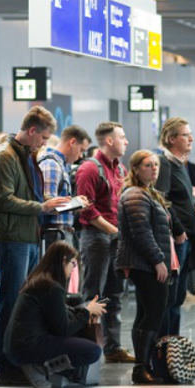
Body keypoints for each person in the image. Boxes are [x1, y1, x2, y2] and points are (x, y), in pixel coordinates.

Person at [0, 106, 71, 385]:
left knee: (25, 304)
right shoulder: (5, 157)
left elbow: (24, 194)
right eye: (44, 137)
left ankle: (18, 359)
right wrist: (42, 205)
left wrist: (51, 202)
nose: (45, 143)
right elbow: (2, 200)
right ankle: (6, 362)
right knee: (11, 302)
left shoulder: (26, 156)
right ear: (32, 130)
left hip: (28, 235)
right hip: (12, 238)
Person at [116, 150, 182, 384]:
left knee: (147, 314)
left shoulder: (148, 193)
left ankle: (144, 366)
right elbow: (141, 233)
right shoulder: (135, 194)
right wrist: (157, 261)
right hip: (144, 264)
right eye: (147, 165)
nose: (154, 168)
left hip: (150, 263)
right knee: (152, 314)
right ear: (135, 169)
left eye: (155, 164)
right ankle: (141, 368)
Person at [4, 242, 106, 388]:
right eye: (72, 264)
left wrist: (83, 311)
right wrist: (87, 312)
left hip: (19, 346)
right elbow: (63, 329)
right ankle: (41, 369)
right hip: (27, 347)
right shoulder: (51, 287)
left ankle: (41, 367)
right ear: (63, 261)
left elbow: (56, 317)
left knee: (82, 339)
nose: (73, 269)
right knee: (92, 351)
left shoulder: (41, 281)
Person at [76, 122, 132, 364]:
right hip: (97, 238)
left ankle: (112, 347)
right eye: (122, 137)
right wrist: (114, 231)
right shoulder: (90, 169)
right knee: (93, 295)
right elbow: (85, 209)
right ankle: (87, 348)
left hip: (114, 238)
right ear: (109, 141)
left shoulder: (119, 169)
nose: (126, 141)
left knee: (114, 294)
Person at [155, 117, 195, 336]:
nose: (191, 138)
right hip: (175, 240)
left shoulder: (179, 164)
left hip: (186, 238)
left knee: (178, 297)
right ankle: (164, 346)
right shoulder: (164, 163)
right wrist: (178, 230)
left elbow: (183, 198)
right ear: (172, 139)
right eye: (186, 134)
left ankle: (172, 344)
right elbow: (160, 200)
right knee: (169, 297)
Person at [39, 125, 91, 247]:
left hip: (60, 233)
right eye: (81, 150)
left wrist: (75, 205)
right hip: (54, 234)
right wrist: (75, 203)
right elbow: (48, 206)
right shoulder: (52, 164)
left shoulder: (61, 165)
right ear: (72, 142)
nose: (81, 156)